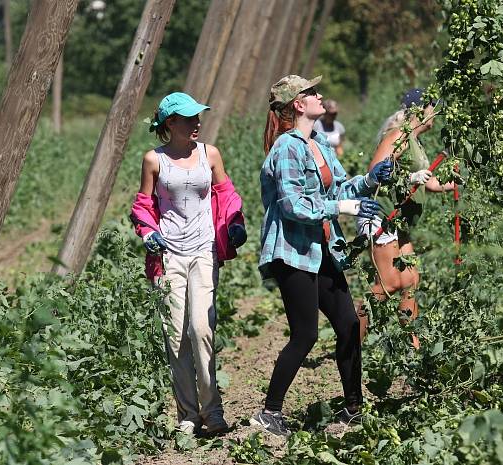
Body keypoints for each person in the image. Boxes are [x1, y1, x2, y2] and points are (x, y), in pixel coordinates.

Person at [250, 75, 393, 437]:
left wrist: (370, 180)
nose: (320, 96)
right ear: (298, 104)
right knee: (305, 335)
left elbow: (342, 187)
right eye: (312, 92)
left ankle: (353, 408)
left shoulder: (319, 142)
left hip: (322, 246)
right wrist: (343, 206)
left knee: (347, 324)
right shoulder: (286, 148)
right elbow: (293, 205)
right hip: (292, 251)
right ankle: (269, 412)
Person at [130, 92, 247, 437]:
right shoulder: (154, 160)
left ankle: (213, 413)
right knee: (176, 334)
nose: (197, 123)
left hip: (203, 251)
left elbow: (226, 194)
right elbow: (142, 205)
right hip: (168, 257)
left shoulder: (209, 154)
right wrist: (148, 231)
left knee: (201, 328)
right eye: (189, 118)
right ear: (171, 124)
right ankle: (188, 416)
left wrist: (235, 222)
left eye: (198, 117)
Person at [357, 88, 455, 348]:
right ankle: (352, 342)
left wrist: (454, 183)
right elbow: (374, 173)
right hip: (382, 215)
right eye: (432, 106)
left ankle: (413, 344)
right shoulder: (398, 135)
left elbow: (430, 182)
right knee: (388, 283)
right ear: (418, 110)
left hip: (400, 222)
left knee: (410, 280)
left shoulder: (415, 141)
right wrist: (408, 179)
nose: (435, 113)